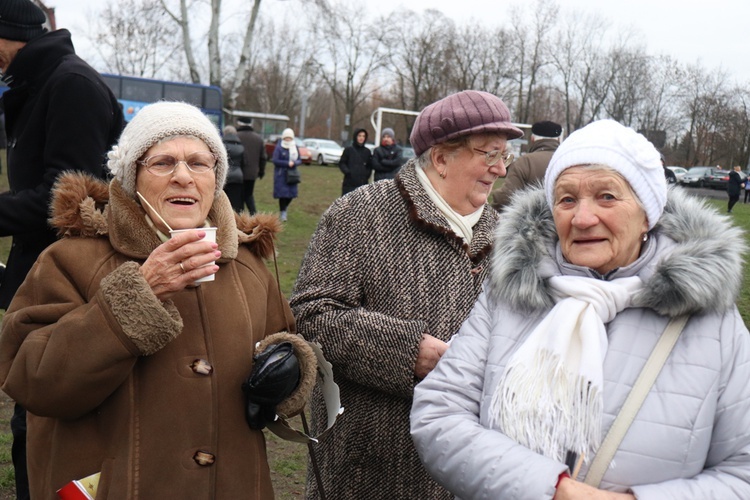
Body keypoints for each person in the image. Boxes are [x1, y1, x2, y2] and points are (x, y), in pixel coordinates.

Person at [411, 119, 750, 499]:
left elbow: (743, 472)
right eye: (567, 199)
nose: (583, 218)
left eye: (607, 196)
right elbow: (439, 413)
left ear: (647, 213)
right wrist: (551, 490)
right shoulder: (510, 294)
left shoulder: (711, 321)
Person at [0, 101, 316, 498]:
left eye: (199, 163)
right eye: (163, 162)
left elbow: (285, 343)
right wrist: (138, 296)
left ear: (216, 178)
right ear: (133, 176)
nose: (183, 177)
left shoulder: (248, 266)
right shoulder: (71, 261)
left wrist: (288, 367)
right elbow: (32, 381)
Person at [291, 90, 523, 499]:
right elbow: (312, 316)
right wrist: (408, 351)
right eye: (489, 154)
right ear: (440, 158)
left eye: (505, 156)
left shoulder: (509, 236)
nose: (500, 170)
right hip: (370, 473)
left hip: (476, 472)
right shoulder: (360, 214)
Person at [0, 2, 125, 498]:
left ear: (10, 34)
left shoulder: (71, 84)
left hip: (72, 281)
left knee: (44, 419)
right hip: (41, 269)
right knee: (28, 414)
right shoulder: (39, 81)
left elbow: (73, 194)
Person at [491, 119, 562, 210]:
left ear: (532, 139)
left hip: (530, 222)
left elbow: (505, 197)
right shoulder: (569, 161)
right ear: (559, 139)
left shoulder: (525, 162)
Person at [236, 118, 266, 214]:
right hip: (252, 174)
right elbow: (263, 157)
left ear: (239, 123)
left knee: (239, 197)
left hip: (237, 173)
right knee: (249, 195)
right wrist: (261, 171)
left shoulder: (236, 137)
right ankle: (253, 214)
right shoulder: (258, 139)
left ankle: (240, 217)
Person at [272, 127, 301, 222]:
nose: (288, 140)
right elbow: (275, 160)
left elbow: (299, 160)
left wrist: (295, 163)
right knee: (283, 195)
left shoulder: (295, 147)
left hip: (292, 174)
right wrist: (286, 163)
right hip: (281, 175)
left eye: (290, 138)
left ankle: (284, 209)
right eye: (286, 138)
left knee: (291, 195)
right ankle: (283, 212)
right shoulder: (279, 147)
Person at [338, 127, 372, 195]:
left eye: (363, 136)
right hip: (349, 182)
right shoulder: (349, 150)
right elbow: (342, 163)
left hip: (362, 183)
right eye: (359, 136)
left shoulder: (367, 151)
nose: (361, 138)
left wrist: (366, 175)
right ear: (355, 136)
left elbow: (369, 166)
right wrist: (348, 172)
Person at [221, 125, 245, 212]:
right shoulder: (241, 147)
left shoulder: (221, 145)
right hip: (237, 176)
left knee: (222, 202)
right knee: (235, 203)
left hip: (224, 175)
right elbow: (244, 163)